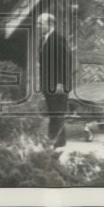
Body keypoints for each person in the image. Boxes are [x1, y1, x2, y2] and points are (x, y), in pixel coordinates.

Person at [36, 12, 71, 148]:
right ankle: (56, 141)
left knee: (58, 113)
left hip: (58, 85)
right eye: (38, 23)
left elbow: (65, 64)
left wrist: (61, 84)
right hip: (47, 84)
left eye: (40, 23)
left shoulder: (59, 40)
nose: (38, 26)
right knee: (53, 113)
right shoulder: (43, 40)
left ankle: (55, 141)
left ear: (50, 24)